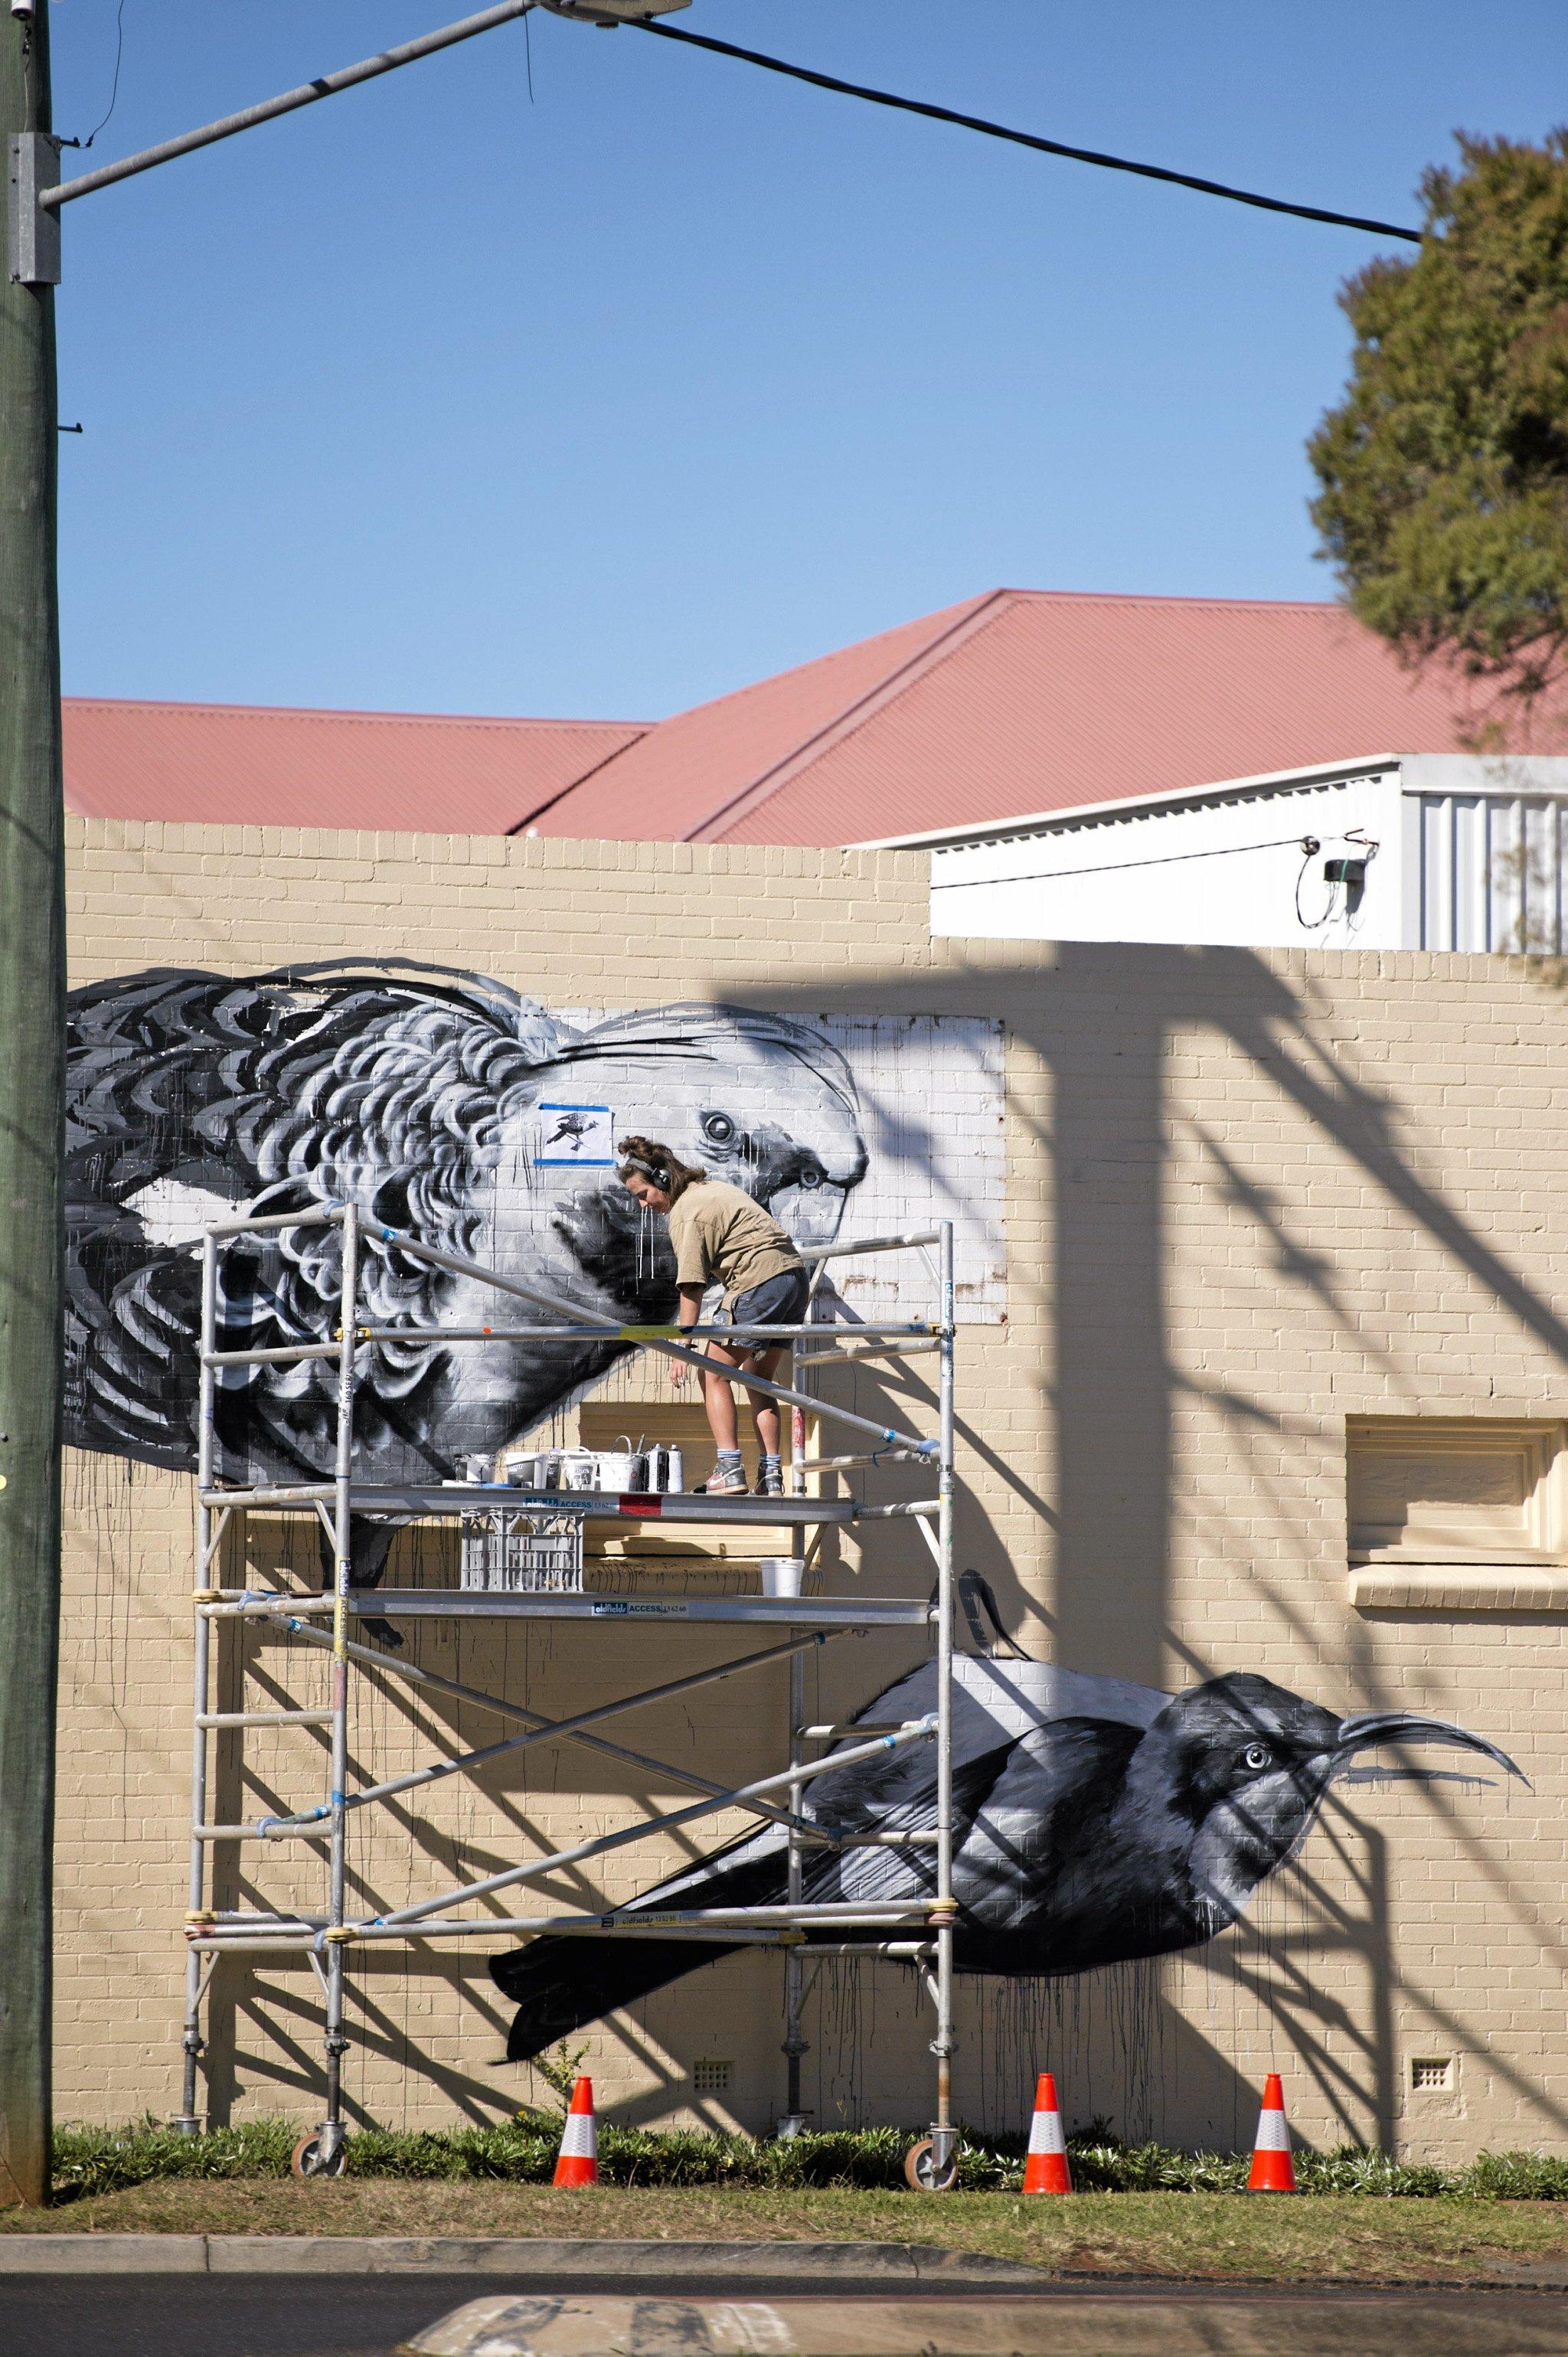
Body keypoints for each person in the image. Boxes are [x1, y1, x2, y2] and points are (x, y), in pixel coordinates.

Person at [616, 1134, 811, 1497]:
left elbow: (691, 1285)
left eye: (643, 1195)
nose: (643, 1205)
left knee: (713, 1375)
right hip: (794, 1279)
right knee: (758, 1378)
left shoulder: (687, 1212)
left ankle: (729, 1469)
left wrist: (683, 1345)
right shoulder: (713, 1188)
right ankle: (771, 1477)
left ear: (662, 1180)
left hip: (758, 1280)